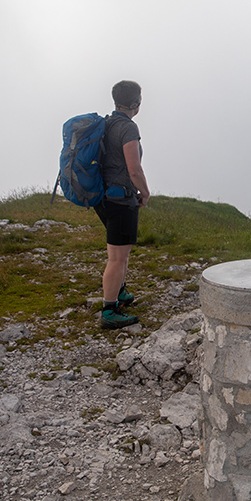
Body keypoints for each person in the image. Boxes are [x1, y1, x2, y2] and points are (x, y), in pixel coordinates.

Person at [94, 80, 151, 329]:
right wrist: (145, 192)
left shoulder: (105, 124)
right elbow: (134, 169)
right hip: (120, 199)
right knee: (117, 258)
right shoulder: (128, 128)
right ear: (136, 104)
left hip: (103, 198)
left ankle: (120, 290)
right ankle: (110, 310)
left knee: (120, 253)